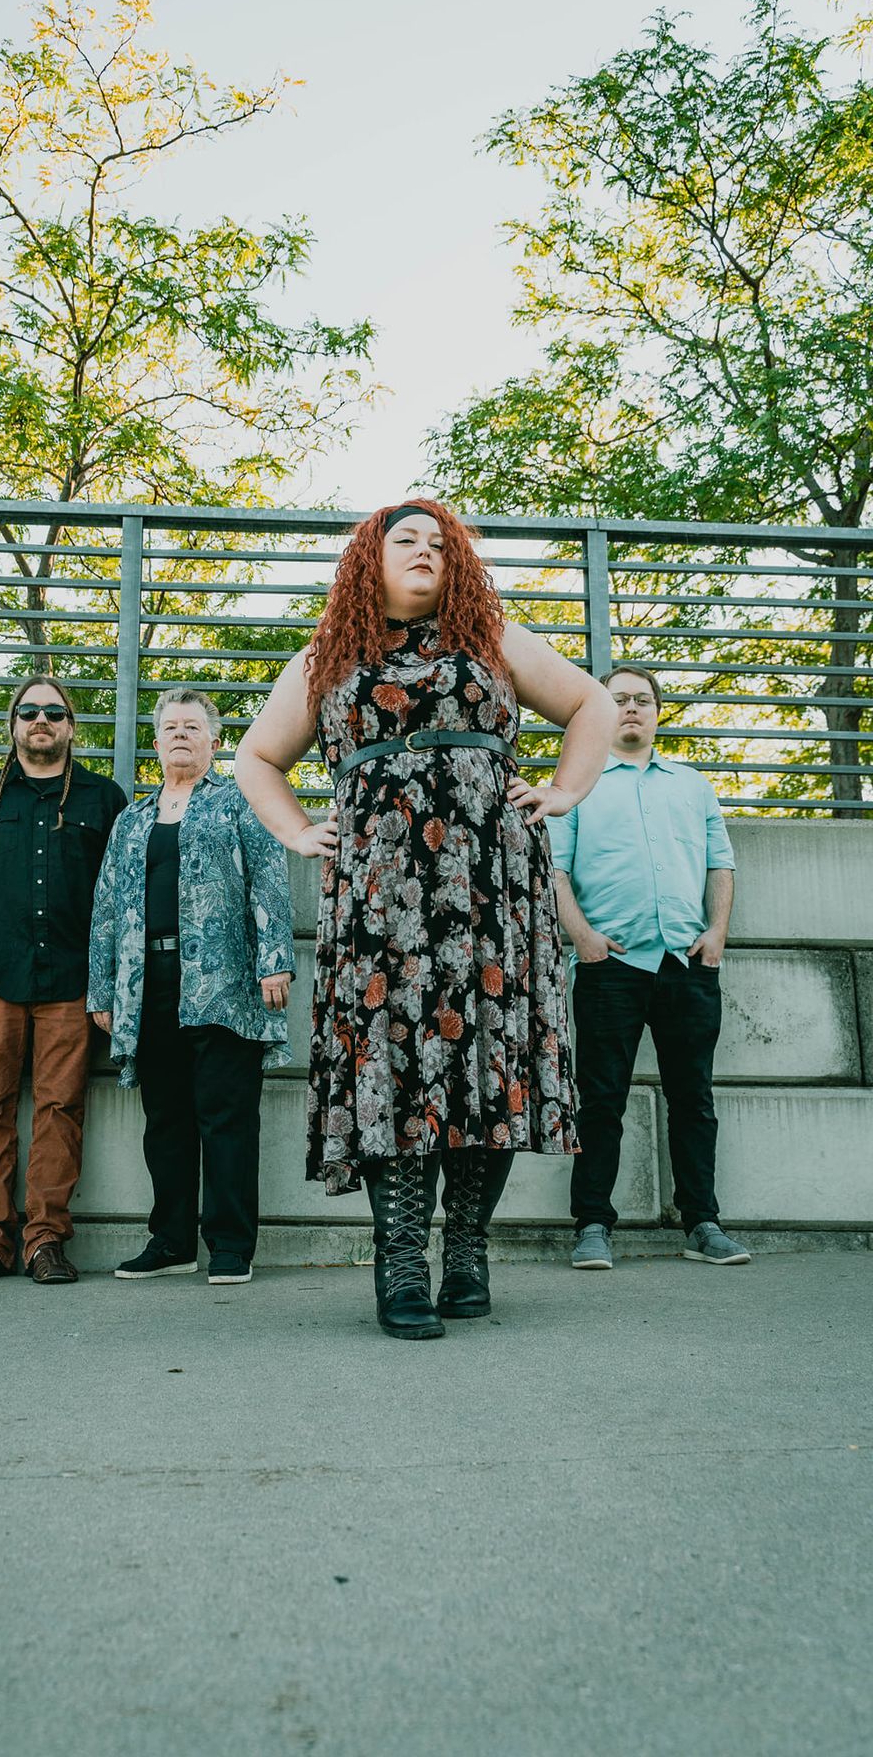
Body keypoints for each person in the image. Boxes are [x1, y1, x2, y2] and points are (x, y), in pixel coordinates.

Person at [234, 499, 616, 1340]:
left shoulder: (493, 640)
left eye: (440, 543)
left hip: (491, 887)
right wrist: (299, 830)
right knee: (394, 1062)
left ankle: (468, 1249)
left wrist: (563, 789)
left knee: (488, 1055)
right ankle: (402, 1257)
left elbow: (594, 708)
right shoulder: (327, 656)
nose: (424, 550)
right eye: (404, 539)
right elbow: (254, 758)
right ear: (369, 559)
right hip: (378, 900)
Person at [88, 688, 295, 1285]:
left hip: (225, 985)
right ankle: (171, 1241)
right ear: (155, 743)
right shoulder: (131, 820)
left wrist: (275, 959)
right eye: (170, 727)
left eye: (192, 727)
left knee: (226, 1118)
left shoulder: (241, 804)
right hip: (148, 986)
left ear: (214, 740)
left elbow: (270, 882)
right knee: (166, 1120)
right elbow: (106, 907)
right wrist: (102, 989)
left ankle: (230, 1245)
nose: (180, 734)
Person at [547, 665, 750, 1269]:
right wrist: (581, 937)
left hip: (687, 964)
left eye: (642, 700)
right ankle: (591, 1226)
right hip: (611, 965)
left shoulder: (692, 787)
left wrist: (717, 934)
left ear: (657, 712)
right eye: (618, 701)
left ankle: (703, 1222)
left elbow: (720, 863)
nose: (631, 708)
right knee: (600, 1098)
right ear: (603, 713)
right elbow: (553, 872)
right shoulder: (575, 786)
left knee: (695, 1098)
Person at [0, 677, 127, 1286]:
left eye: (54, 711)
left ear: (71, 726)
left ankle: (44, 1239)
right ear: (13, 726)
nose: (41, 720)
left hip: (72, 981)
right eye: (29, 712)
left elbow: (119, 896)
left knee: (60, 1108)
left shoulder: (104, 800)